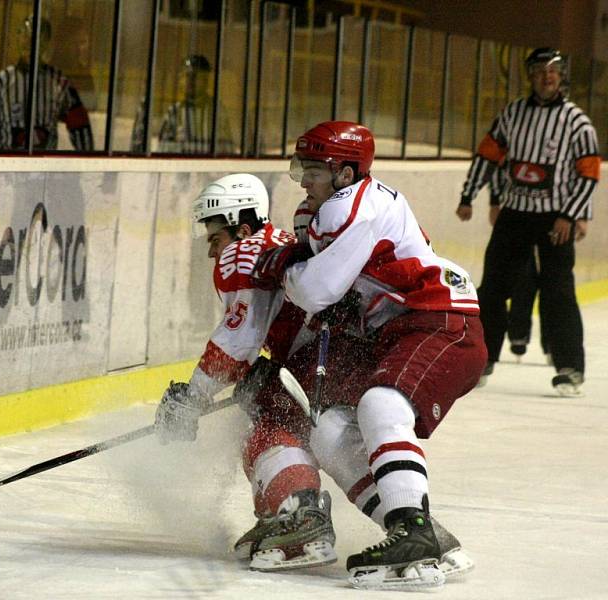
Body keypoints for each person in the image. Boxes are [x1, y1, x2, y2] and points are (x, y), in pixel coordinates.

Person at [250, 121, 486, 590]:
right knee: (330, 430)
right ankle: (427, 534)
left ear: (343, 172)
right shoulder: (331, 208)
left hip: (439, 316)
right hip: (396, 328)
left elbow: (317, 290)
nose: (302, 179)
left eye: (313, 169)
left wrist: (289, 267)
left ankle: (412, 532)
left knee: (381, 404)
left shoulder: (355, 205)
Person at [153, 173, 339, 572]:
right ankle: (286, 509)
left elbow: (238, 339)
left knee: (268, 430)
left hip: (317, 362)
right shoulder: (274, 242)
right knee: (265, 422)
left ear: (240, 228)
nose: (212, 253)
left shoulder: (242, 254)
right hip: (329, 356)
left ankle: (302, 514)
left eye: (214, 239)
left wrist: (193, 396)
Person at [456, 47, 600, 395]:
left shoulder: (577, 122)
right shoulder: (512, 115)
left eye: (552, 70)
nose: (546, 76)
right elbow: (488, 156)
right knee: (491, 289)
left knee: (559, 292)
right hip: (515, 213)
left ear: (561, 75)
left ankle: (569, 368)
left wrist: (570, 214)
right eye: (539, 71)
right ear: (531, 76)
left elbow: (589, 174)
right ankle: (482, 360)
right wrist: (468, 195)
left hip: (555, 220)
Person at [0, 16, 93, 151]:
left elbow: (81, 128)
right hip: (9, 169)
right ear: (18, 38)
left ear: (46, 42)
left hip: (45, 168)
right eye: (23, 34)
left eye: (34, 35)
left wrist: (86, 162)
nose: (27, 40)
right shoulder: (0, 83)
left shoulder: (59, 83)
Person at [488, 158, 549, 362]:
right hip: (517, 218)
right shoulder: (515, 141)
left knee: (553, 284)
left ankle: (551, 344)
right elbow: (495, 166)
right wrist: (495, 201)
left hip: (551, 217)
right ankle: (518, 334)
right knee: (523, 277)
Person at [131, 54, 234, 154]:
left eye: (195, 76)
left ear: (206, 80)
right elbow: (163, 149)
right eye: (185, 76)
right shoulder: (175, 111)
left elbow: (228, 149)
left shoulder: (217, 111)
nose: (190, 81)